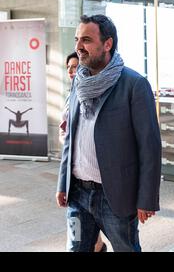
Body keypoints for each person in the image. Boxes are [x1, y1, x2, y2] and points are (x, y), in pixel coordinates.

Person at [55, 14, 161, 252]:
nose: (78, 47)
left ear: (108, 44)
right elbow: (71, 137)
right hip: (78, 194)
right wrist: (63, 183)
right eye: (77, 40)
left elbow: (149, 146)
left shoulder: (134, 85)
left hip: (116, 195)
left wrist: (147, 199)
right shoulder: (78, 82)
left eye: (86, 40)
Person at [58, 51, 107, 252]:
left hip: (103, 184)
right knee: (76, 244)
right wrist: (62, 184)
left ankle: (98, 246)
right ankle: (97, 246)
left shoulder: (95, 91)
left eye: (75, 66)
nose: (71, 71)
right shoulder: (72, 93)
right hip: (75, 181)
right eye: (68, 67)